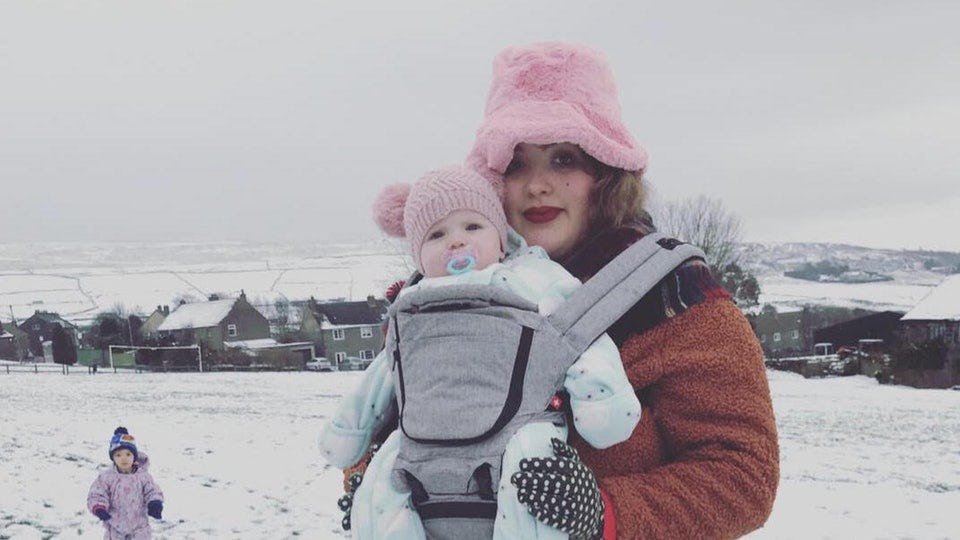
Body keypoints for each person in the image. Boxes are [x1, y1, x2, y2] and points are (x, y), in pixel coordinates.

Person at [460, 41, 780, 539]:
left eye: (564, 159)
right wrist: (380, 486)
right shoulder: (460, 290)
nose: (537, 185)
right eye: (516, 164)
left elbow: (741, 477)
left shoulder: (676, 299)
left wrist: (605, 513)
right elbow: (391, 422)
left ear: (606, 175)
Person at [319, 165, 641, 539]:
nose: (456, 242)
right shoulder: (411, 304)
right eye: (436, 235)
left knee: (533, 481)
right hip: (420, 443)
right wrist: (350, 429)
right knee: (380, 489)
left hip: (518, 430)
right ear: (418, 257)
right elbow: (384, 372)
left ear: (502, 238)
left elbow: (576, 334)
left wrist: (601, 399)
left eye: (473, 227)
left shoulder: (533, 280)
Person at [87, 427, 165, 540]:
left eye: (128, 454)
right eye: (118, 455)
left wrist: (154, 502)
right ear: (113, 458)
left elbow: (152, 490)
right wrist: (99, 507)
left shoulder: (143, 476)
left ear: (134, 456)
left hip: (140, 527)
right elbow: (97, 494)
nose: (124, 459)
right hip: (115, 527)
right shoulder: (106, 477)